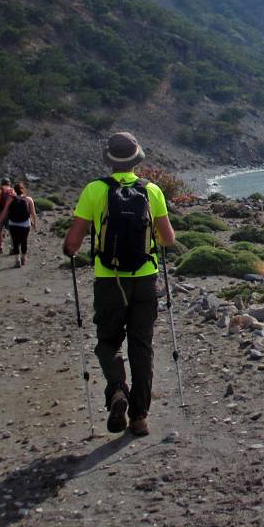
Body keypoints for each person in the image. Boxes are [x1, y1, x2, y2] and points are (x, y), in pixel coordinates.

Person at [62, 132, 175, 438]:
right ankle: (139, 416)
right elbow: (168, 239)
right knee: (142, 346)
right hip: (145, 280)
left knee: (107, 341)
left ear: (109, 159)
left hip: (109, 281)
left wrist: (70, 250)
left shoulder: (94, 190)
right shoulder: (151, 190)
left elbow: (73, 241)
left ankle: (116, 391)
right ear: (136, 159)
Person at [0, 182, 37, 267]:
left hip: (13, 223)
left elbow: (5, 210)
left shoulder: (11, 198)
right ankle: (23, 258)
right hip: (25, 224)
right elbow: (33, 213)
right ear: (23, 189)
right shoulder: (28, 199)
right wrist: (35, 223)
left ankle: (17, 260)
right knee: (24, 241)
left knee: (15, 242)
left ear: (14, 190)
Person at [0, 178, 16, 253]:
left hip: (0, 212)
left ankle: (0, 247)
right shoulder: (13, 191)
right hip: (10, 212)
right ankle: (12, 248)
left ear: (1, 183)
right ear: (9, 183)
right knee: (11, 231)